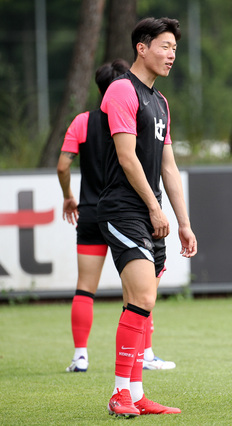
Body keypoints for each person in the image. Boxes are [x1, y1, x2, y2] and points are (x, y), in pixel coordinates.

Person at [98, 17, 197, 417]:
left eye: (175, 47)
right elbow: (126, 156)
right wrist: (155, 209)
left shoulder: (160, 102)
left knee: (140, 302)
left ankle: (135, 393)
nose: (172, 54)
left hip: (148, 212)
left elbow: (169, 168)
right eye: (165, 46)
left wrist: (185, 223)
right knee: (142, 296)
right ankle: (120, 394)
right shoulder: (123, 90)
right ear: (142, 47)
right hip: (123, 209)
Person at [57, 60, 176, 375]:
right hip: (127, 211)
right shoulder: (137, 113)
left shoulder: (83, 121)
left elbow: (62, 166)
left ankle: (80, 355)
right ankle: (144, 355)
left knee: (86, 287)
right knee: (137, 294)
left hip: (91, 213)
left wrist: (68, 196)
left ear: (99, 89)